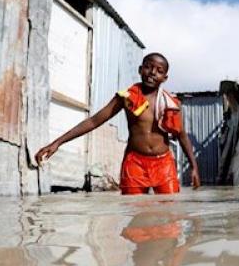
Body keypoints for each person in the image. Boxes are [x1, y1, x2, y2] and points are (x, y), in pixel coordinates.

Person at [35, 53, 200, 195]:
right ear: (140, 69)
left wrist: (194, 167)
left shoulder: (171, 103)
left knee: (169, 216)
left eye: (159, 71)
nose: (152, 73)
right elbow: (94, 121)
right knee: (135, 218)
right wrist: (57, 143)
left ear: (165, 78)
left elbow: (181, 135)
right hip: (135, 163)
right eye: (148, 67)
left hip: (164, 164)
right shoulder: (126, 98)